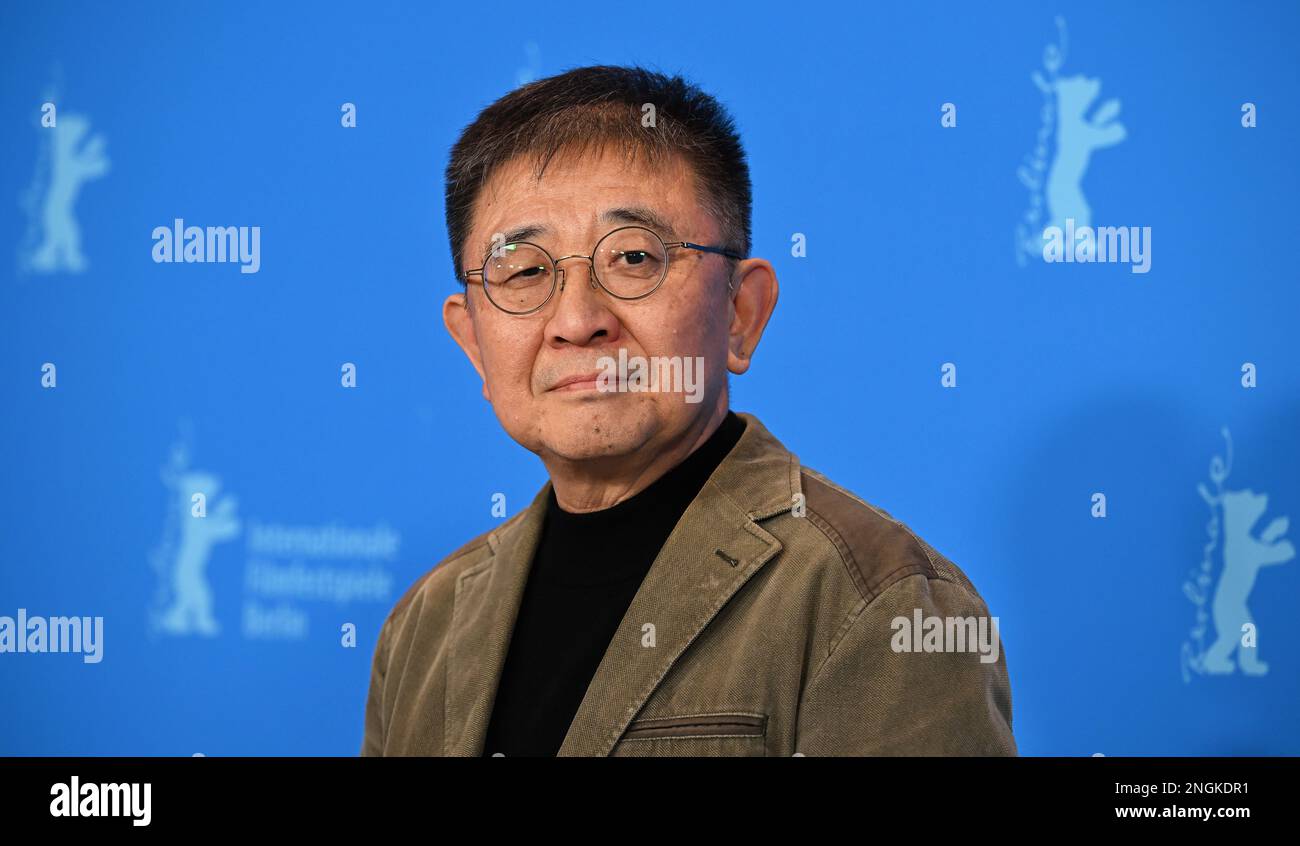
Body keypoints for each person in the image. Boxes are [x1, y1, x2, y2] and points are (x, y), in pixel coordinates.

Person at [361, 65, 1015, 756]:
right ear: (472, 341)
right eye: (525, 270)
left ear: (741, 312)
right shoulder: (425, 623)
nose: (577, 320)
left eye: (635, 257)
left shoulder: (877, 602)